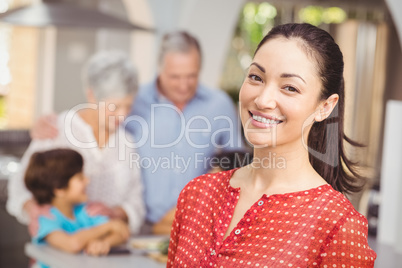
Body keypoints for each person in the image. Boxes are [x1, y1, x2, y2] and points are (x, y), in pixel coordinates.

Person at [167, 23, 377, 267]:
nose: (263, 99)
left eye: (290, 88)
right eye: (256, 77)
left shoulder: (337, 225)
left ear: (325, 107)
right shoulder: (196, 195)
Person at [30, 31, 244, 232]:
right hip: (141, 227)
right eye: (174, 77)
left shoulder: (219, 105)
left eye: (191, 76)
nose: (184, 86)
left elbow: (237, 165)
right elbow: (98, 114)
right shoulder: (134, 99)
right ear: (159, 68)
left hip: (197, 226)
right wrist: (49, 123)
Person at [7, 50, 145, 234]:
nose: (123, 115)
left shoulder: (127, 141)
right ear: (91, 96)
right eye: (115, 107)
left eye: (128, 105)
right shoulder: (58, 130)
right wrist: (33, 210)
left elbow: (136, 201)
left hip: (107, 249)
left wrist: (117, 212)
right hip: (57, 248)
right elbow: (18, 186)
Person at [25, 149, 129, 261]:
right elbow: (72, 245)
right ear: (59, 189)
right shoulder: (45, 218)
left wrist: (103, 243)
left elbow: (121, 232)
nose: (87, 180)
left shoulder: (85, 211)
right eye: (80, 178)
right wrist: (108, 226)